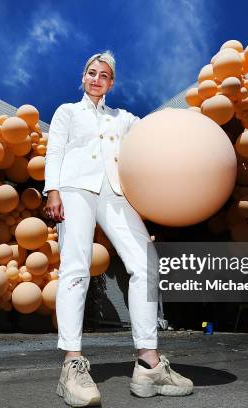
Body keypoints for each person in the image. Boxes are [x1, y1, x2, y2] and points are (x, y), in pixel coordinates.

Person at [43, 50, 194, 407]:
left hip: (115, 193)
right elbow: (55, 151)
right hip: (75, 189)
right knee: (75, 269)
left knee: (146, 264)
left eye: (104, 75)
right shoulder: (67, 112)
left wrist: (187, 120)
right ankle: (71, 365)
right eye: (91, 73)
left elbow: (152, 134)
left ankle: (149, 365)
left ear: (112, 83)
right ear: (83, 77)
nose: (96, 79)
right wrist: (53, 190)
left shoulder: (122, 118)